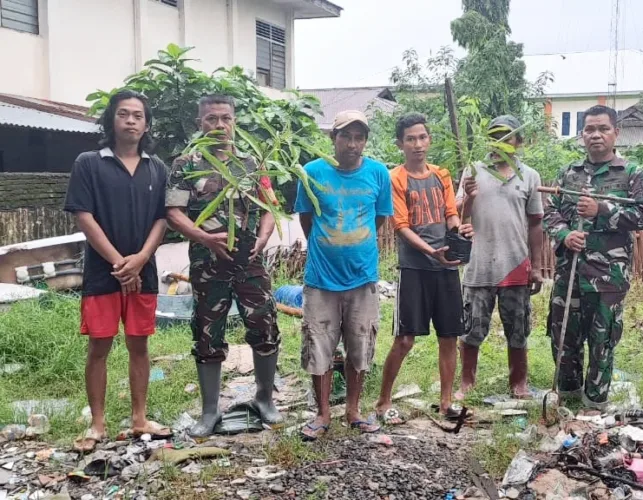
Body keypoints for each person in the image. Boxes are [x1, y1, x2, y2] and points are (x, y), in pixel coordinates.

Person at [165, 94, 282, 437]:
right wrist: (204, 238)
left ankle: (264, 399)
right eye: (211, 119)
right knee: (207, 331)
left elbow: (269, 207)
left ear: (234, 121)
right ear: (200, 123)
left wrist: (262, 239)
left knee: (264, 323)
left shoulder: (251, 163)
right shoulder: (186, 164)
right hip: (207, 262)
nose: (219, 125)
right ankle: (210, 411)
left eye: (225, 118)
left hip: (250, 261)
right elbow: (173, 213)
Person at [64, 90, 170, 452]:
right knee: (99, 345)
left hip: (145, 272)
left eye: (137, 115)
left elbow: (162, 219)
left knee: (139, 345)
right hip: (101, 274)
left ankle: (140, 417)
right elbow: (84, 215)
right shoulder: (89, 163)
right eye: (123, 114)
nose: (130, 120)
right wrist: (118, 263)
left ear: (146, 124)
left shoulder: (158, 169)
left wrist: (139, 258)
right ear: (111, 120)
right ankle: (97, 423)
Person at [543, 105, 643, 410]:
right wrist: (564, 234)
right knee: (564, 339)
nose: (596, 135)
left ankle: (594, 404)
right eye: (590, 129)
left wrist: (601, 210)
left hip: (607, 277)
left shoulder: (631, 174)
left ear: (615, 132)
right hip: (570, 273)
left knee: (602, 341)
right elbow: (550, 211)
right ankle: (566, 399)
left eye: (603, 128)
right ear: (582, 135)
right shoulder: (569, 173)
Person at [295, 110, 393, 440]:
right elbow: (306, 221)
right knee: (319, 344)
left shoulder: (378, 173)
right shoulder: (311, 172)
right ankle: (322, 415)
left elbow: (378, 220)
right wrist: (330, 247)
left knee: (360, 343)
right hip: (321, 278)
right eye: (345, 136)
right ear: (332, 138)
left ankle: (353, 411)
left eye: (359, 137)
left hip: (362, 277)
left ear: (365, 141)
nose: (353, 144)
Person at [374, 114, 474, 425]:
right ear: (400, 143)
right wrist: (433, 252)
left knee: (449, 335)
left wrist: (459, 233)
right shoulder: (395, 178)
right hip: (414, 267)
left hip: (446, 268)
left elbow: (450, 214)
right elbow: (401, 226)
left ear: (429, 140)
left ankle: (446, 403)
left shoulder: (442, 175)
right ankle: (383, 401)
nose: (418, 144)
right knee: (405, 339)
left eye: (422, 137)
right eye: (410, 139)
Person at [456, 115, 544, 400]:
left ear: (518, 142)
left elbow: (535, 223)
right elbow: (458, 217)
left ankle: (518, 383)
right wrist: (468, 196)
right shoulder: (473, 171)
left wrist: (537, 266)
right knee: (471, 329)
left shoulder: (529, 176)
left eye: (507, 137)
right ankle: (466, 383)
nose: (499, 143)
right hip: (479, 264)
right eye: (494, 136)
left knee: (518, 328)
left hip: (515, 264)